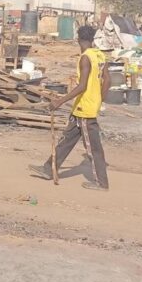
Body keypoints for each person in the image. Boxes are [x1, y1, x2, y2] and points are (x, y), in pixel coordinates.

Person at [30, 25, 111, 191]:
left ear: (78, 39)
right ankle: (48, 169)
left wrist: (60, 101)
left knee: (93, 147)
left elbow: (82, 86)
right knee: (67, 140)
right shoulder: (99, 55)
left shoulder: (85, 58)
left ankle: (102, 183)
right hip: (83, 107)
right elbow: (108, 81)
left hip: (85, 110)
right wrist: (99, 100)